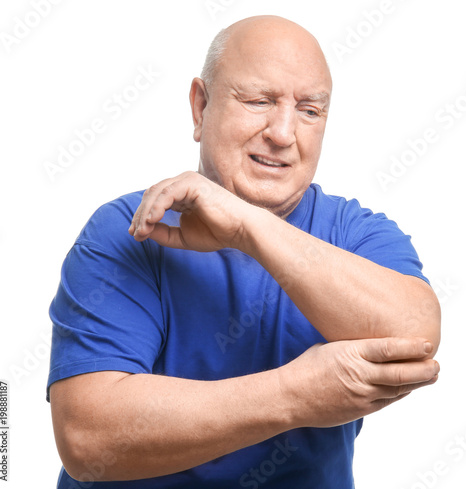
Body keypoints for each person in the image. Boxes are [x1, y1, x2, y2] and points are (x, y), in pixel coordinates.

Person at [47, 15, 441, 488]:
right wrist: (292, 395)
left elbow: (416, 337)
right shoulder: (131, 231)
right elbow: (89, 442)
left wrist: (246, 225)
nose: (282, 132)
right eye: (259, 101)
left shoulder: (357, 233)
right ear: (200, 107)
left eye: (310, 111)